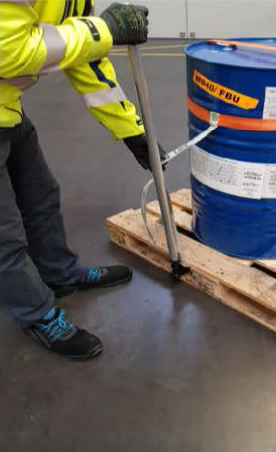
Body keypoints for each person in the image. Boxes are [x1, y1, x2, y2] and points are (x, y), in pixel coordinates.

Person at [0, 1, 155, 360]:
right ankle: (36, 313)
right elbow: (9, 52)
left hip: (6, 107)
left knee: (40, 196)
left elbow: (83, 54)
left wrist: (131, 130)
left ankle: (61, 274)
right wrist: (103, 30)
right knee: (4, 237)